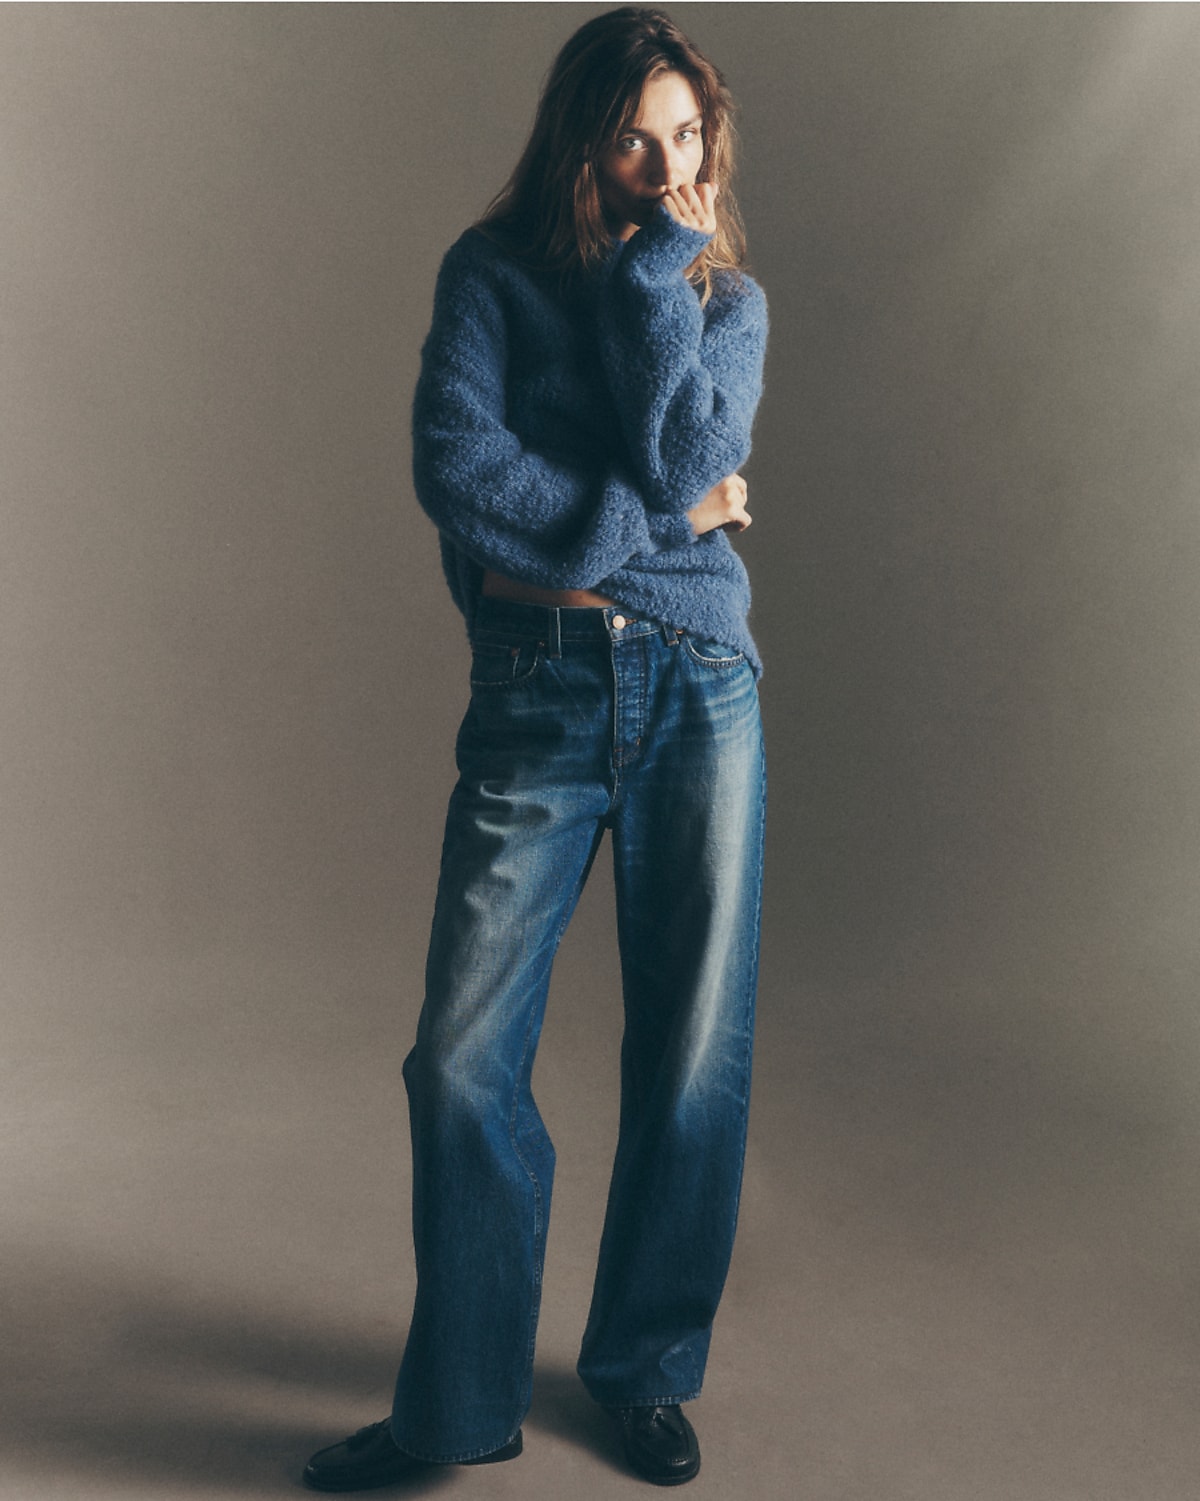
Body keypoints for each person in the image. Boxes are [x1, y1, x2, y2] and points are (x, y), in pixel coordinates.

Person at [303, 6, 768, 1490]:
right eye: (636, 135)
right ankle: (458, 1409)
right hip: (539, 689)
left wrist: (655, 284)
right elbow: (459, 473)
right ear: (582, 137)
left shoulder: (722, 298)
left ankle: (640, 1370)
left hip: (703, 686)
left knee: (694, 1053)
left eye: (688, 136)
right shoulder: (488, 276)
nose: (664, 167)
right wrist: (665, 529)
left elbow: (688, 447)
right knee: (460, 1058)